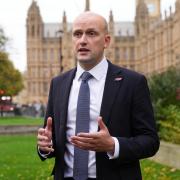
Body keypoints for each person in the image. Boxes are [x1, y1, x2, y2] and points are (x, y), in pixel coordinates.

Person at [37, 11, 159, 180]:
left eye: (91, 33)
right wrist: (44, 147)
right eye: (77, 34)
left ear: (106, 41)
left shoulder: (132, 82)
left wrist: (112, 145)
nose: (83, 40)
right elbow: (51, 139)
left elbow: (150, 141)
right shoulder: (58, 84)